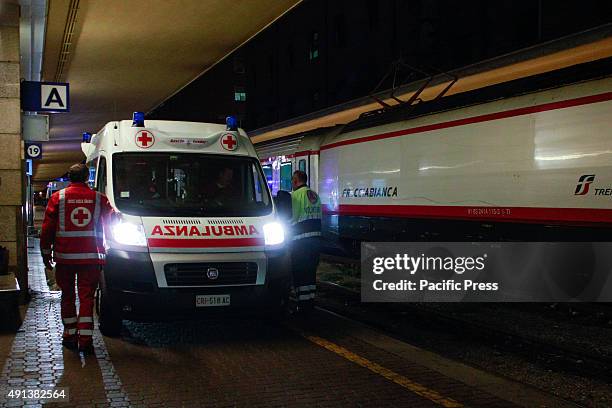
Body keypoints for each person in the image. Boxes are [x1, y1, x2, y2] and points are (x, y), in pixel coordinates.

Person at [40, 163, 113, 355]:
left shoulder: (58, 198)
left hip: (65, 258)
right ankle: (86, 340)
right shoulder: (99, 199)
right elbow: (113, 220)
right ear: (87, 177)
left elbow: (47, 229)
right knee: (87, 297)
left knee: (68, 296)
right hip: (91, 257)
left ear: (70, 178)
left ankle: (69, 336)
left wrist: (45, 253)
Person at [289, 170, 322, 312]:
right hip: (315, 240)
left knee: (300, 273)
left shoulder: (295, 196)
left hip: (300, 241)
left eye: (292, 181)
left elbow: (290, 219)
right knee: (310, 273)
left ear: (295, 181)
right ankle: (310, 302)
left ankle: (302, 307)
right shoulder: (315, 195)